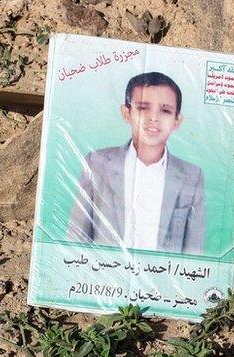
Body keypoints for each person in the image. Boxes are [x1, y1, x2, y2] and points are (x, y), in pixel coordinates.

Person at [67, 72, 205, 254]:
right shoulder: (97, 163)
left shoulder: (191, 176)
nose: (153, 118)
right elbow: (77, 236)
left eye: (165, 110)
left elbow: (194, 250)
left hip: (163, 278)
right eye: (143, 108)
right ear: (126, 113)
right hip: (104, 277)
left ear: (177, 120)